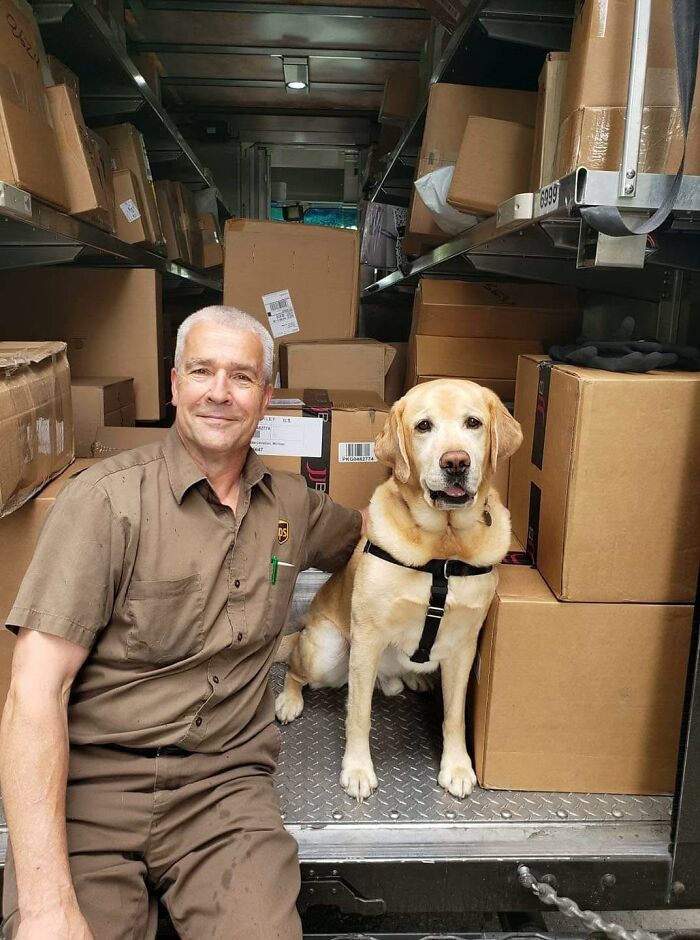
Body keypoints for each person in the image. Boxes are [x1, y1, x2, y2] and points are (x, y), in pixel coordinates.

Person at [0, 306, 364, 940]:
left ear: (267, 396)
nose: (220, 393)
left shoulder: (294, 507)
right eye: (202, 371)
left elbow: (369, 538)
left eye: (242, 377)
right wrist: (44, 906)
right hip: (94, 789)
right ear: (174, 385)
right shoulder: (106, 501)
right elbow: (35, 691)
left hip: (225, 792)